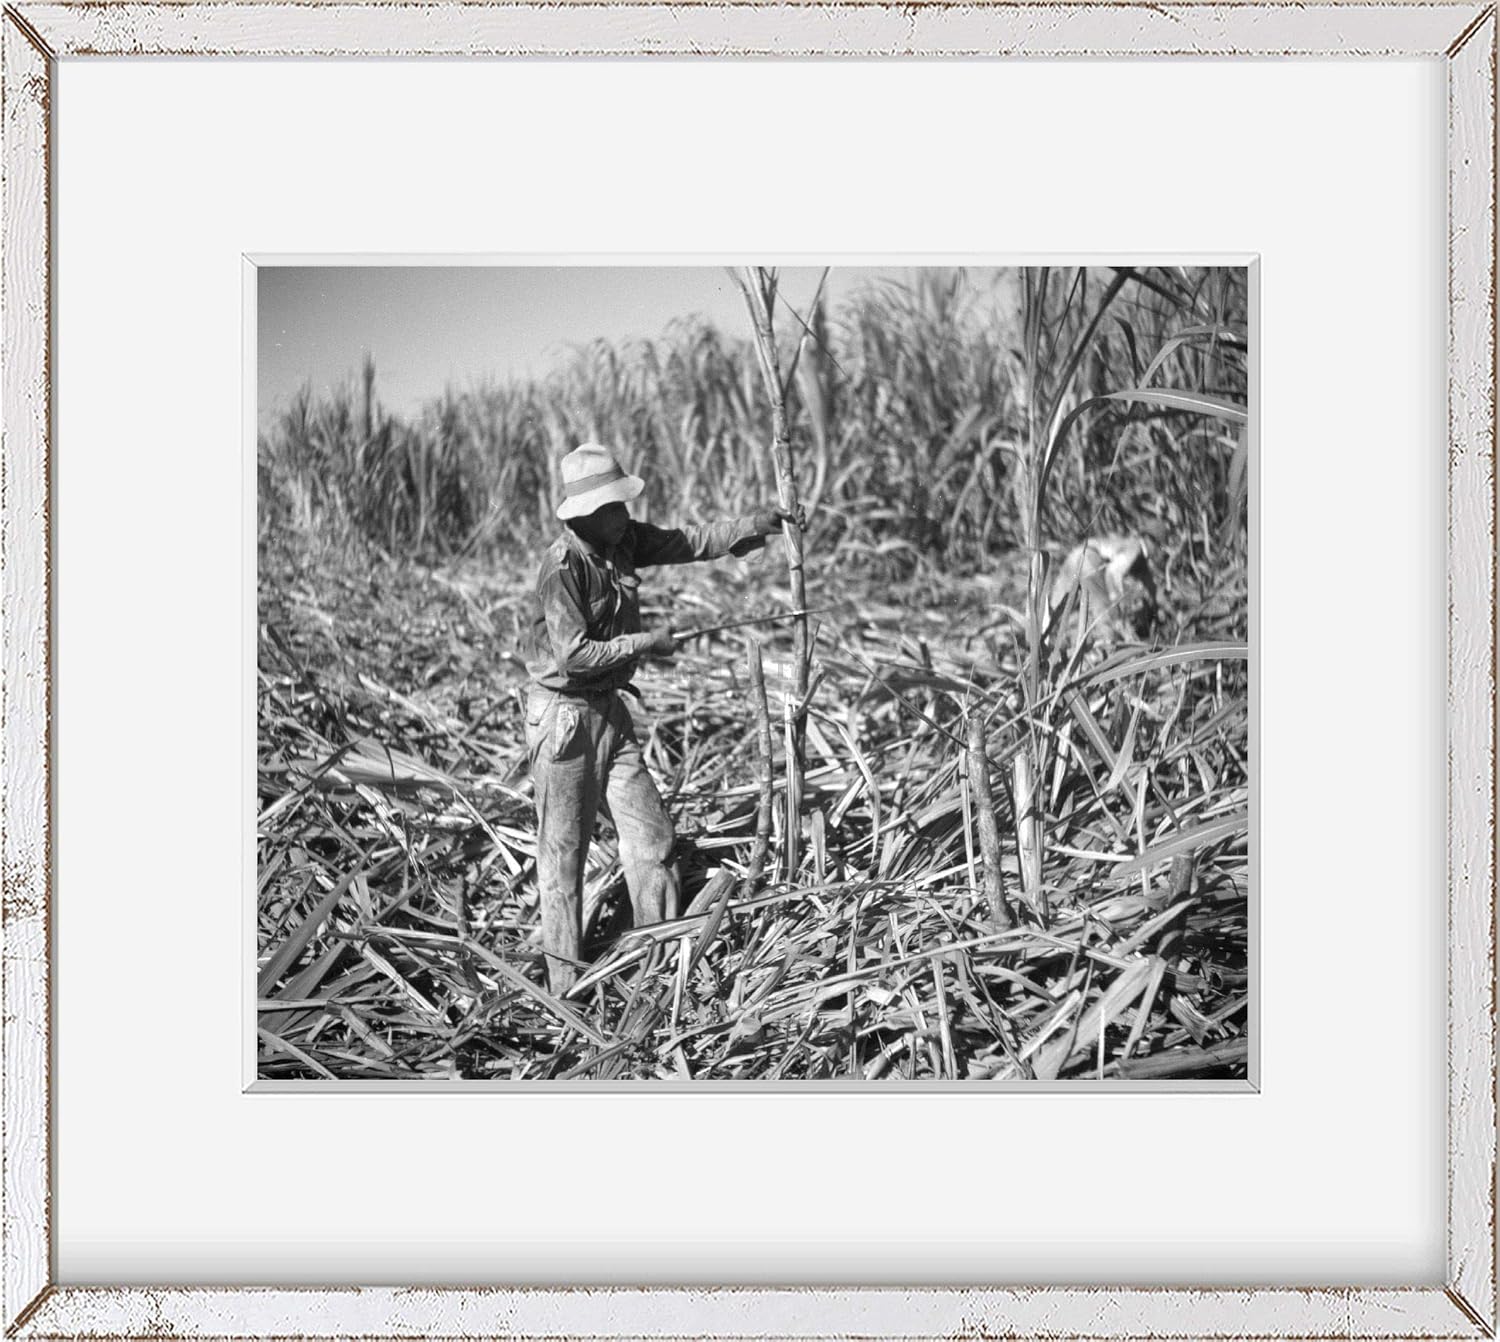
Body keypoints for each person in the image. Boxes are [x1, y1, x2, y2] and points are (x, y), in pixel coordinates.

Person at [523, 442, 799, 994]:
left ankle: (653, 967)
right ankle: (562, 991)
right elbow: (572, 656)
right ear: (585, 515)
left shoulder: (622, 540)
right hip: (564, 722)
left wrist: (754, 525)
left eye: (623, 504)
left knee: (652, 839)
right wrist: (647, 643)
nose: (626, 515)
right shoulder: (562, 569)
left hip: (610, 712)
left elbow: (687, 542)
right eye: (615, 506)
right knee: (563, 859)